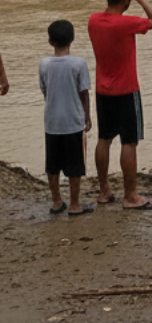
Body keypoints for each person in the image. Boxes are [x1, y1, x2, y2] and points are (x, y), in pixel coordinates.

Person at [88, 0, 152, 210]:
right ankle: (130, 195)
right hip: (126, 90)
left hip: (103, 90)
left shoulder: (93, 20)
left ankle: (103, 191)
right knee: (129, 142)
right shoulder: (125, 23)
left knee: (104, 139)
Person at [39, 21, 93, 215]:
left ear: (50, 41)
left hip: (52, 121)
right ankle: (75, 204)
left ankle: (56, 202)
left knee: (52, 165)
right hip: (73, 121)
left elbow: (44, 89)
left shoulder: (44, 64)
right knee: (75, 165)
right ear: (72, 39)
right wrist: (87, 116)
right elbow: (84, 93)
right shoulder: (78, 63)